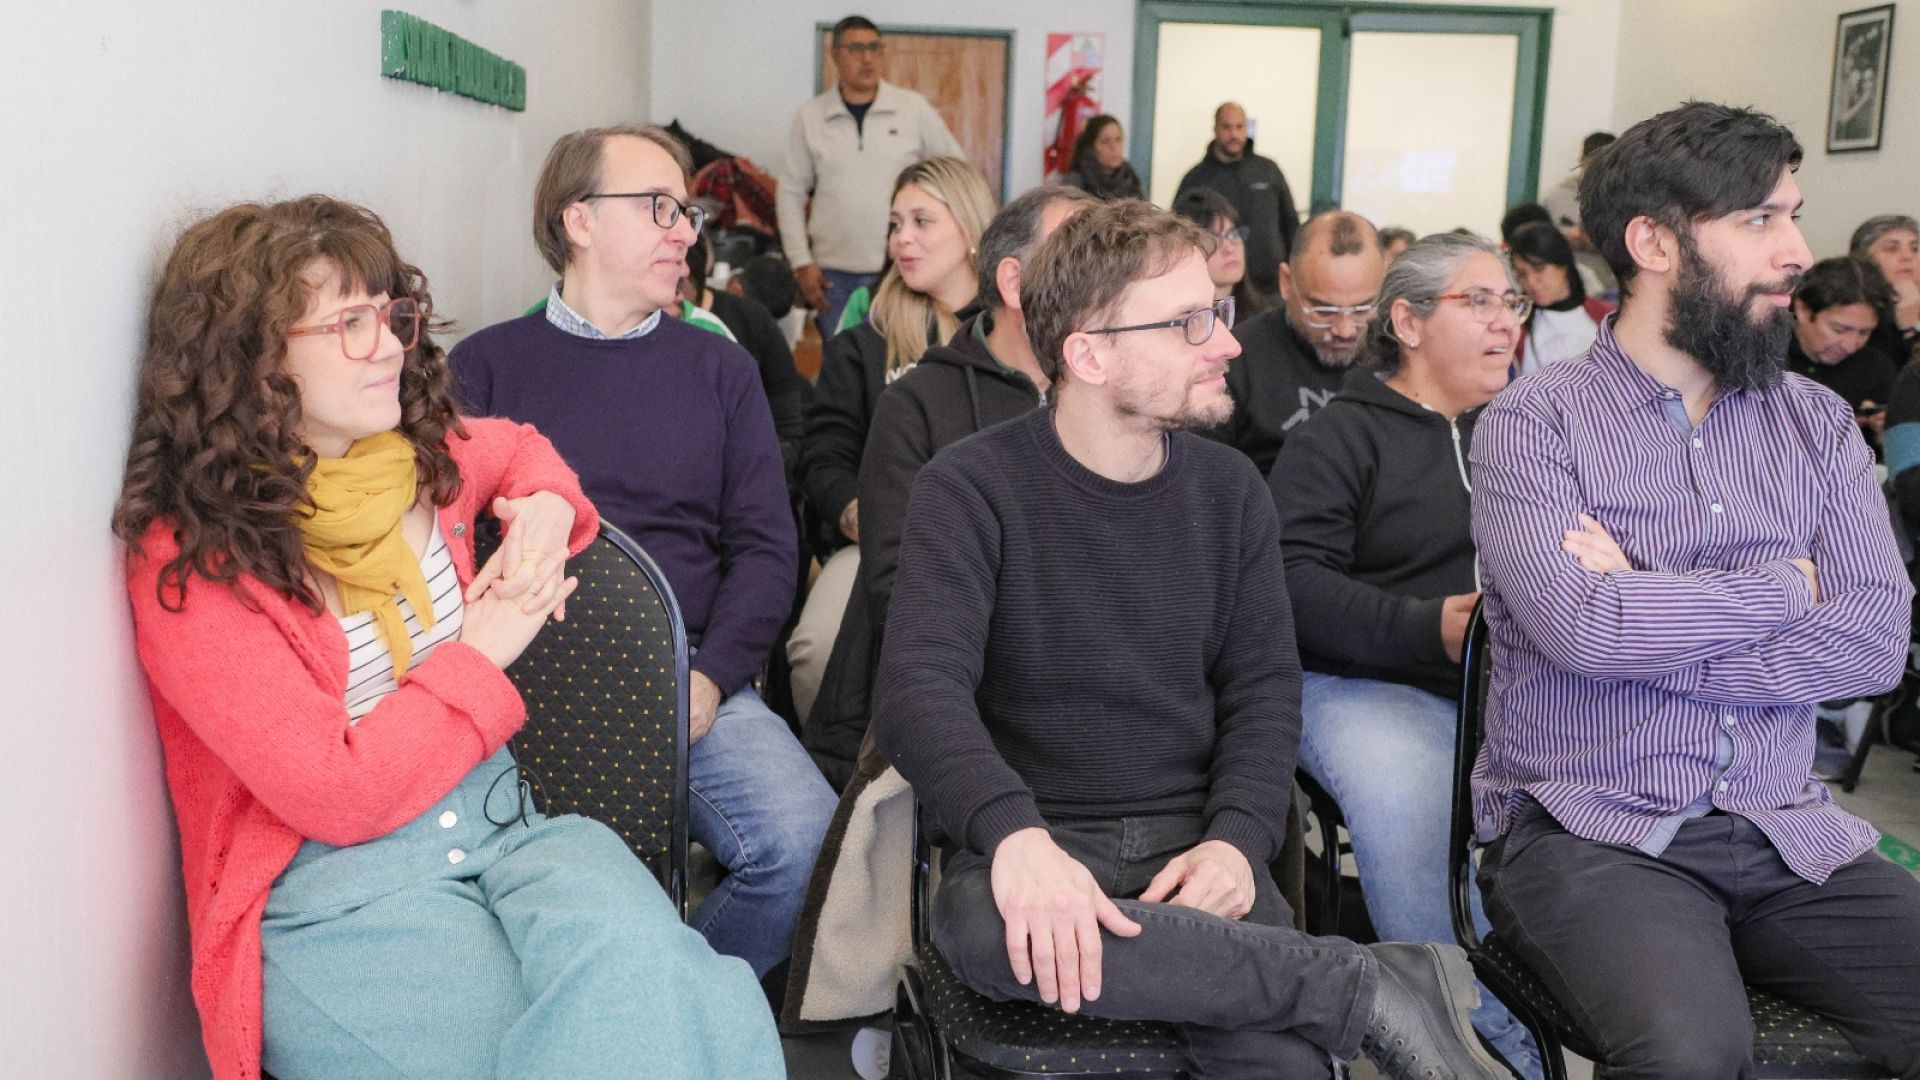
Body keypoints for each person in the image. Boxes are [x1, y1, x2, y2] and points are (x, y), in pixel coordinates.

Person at [115, 195, 783, 1080]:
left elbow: (523, 451)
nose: (390, 345)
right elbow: (337, 794)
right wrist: (480, 651)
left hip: (507, 826)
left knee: (685, 991)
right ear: (251, 357)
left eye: (389, 314)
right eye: (349, 323)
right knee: (616, 1049)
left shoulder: (414, 460)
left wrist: (547, 513)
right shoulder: (194, 561)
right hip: (334, 892)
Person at [875, 196, 1506, 1080]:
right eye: (1190, 323)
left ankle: (1313, 983)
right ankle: (1360, 985)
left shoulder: (1231, 490)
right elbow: (917, 692)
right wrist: (1014, 836)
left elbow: (1263, 690)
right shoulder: (971, 488)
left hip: (1194, 847)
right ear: (1088, 353)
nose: (1230, 342)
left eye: (1218, 310)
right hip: (1035, 838)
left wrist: (1237, 841)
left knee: (1277, 1063)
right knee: (986, 933)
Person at [1470, 101, 1920, 1077]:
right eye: (1760, 220)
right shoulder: (1532, 425)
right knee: (1690, 1054)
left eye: (1793, 214)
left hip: (1785, 824)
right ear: (1654, 242)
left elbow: (1872, 647)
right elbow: (1584, 630)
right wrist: (1784, 586)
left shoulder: (1818, 423)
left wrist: (1653, 603)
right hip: (1593, 828)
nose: (1796, 250)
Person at [451, 124, 836, 981]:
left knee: (805, 846)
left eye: (687, 211)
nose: (687, 231)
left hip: (688, 683)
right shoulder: (483, 367)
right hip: (520, 689)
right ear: (578, 220)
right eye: (660, 208)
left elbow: (770, 551)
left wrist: (708, 680)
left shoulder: (720, 371)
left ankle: (658, 998)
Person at [1271, 232, 1543, 1079]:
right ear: (1408, 321)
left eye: (1513, 303)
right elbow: (1290, 584)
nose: (1506, 324)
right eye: (1480, 302)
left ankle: (1578, 990)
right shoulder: (1341, 438)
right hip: (1358, 681)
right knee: (1413, 783)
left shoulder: (1531, 433)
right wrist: (1430, 630)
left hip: (1508, 682)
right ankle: (1471, 1033)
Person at [803, 184, 1096, 786]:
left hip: (1096, 689)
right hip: (969, 681)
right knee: (816, 644)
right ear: (1014, 283)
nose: (1107, 282)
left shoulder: (1114, 395)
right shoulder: (909, 394)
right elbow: (905, 591)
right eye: (1079, 260)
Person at [789, 156, 992, 724]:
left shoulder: (1011, 339)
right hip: (877, 544)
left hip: (991, 546)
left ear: (972, 230)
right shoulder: (864, 345)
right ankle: (839, 785)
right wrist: (855, 510)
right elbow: (824, 454)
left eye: (922, 221)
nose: (902, 238)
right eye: (895, 224)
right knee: (817, 654)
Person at [778, 15, 962, 337]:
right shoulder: (811, 116)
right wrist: (801, 263)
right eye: (857, 48)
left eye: (875, 48)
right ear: (835, 54)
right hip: (832, 275)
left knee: (901, 362)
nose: (867, 58)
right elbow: (790, 192)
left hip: (902, 267)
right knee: (843, 368)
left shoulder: (912, 109)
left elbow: (957, 172)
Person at [1203, 210, 1386, 473]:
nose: (1345, 330)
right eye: (1324, 312)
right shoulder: (1235, 361)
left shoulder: (1400, 355)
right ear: (1286, 283)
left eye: (1361, 310)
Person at [681, 229, 807, 479]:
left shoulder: (750, 319)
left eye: (677, 285)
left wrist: (767, 471)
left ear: (694, 278)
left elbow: (788, 418)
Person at [1175, 101, 1300, 299]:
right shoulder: (1196, 179)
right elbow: (1180, 234)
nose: (1234, 134)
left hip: (1269, 286)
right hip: (1216, 290)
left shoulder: (1268, 170)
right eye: (1227, 127)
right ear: (1215, 129)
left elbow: (1290, 223)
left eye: (1239, 127)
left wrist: (1292, 268)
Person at [1786, 256, 1900, 453]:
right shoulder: (1760, 360)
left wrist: (1887, 436)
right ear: (1803, 310)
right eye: (1839, 330)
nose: (1850, 346)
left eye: (1864, 333)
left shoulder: (1876, 367)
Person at [1507, 221, 1615, 376]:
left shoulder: (1609, 317)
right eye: (1522, 274)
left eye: (1539, 269)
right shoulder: (1515, 324)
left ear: (1563, 264)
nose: (1531, 281)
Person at [1539, 131, 1619, 297]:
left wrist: (1599, 240)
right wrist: (1564, 236)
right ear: (1581, 161)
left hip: (1610, 282)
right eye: (1592, 165)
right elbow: (1538, 238)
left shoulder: (1624, 199)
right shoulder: (1557, 197)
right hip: (1566, 279)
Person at [1172, 187, 1269, 320]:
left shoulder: (1263, 317)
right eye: (1214, 240)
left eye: (1233, 234)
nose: (1229, 248)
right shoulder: (1176, 321)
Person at [1850, 213, 1920, 365]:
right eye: (1892, 249)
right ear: (1862, 260)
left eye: (1914, 249)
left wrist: (1915, 325)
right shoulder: (1850, 309)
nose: (1908, 256)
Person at [1058, 114, 1143, 201]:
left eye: (1118, 140)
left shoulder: (1130, 179)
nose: (1114, 147)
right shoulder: (1075, 182)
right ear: (1091, 147)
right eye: (1105, 141)